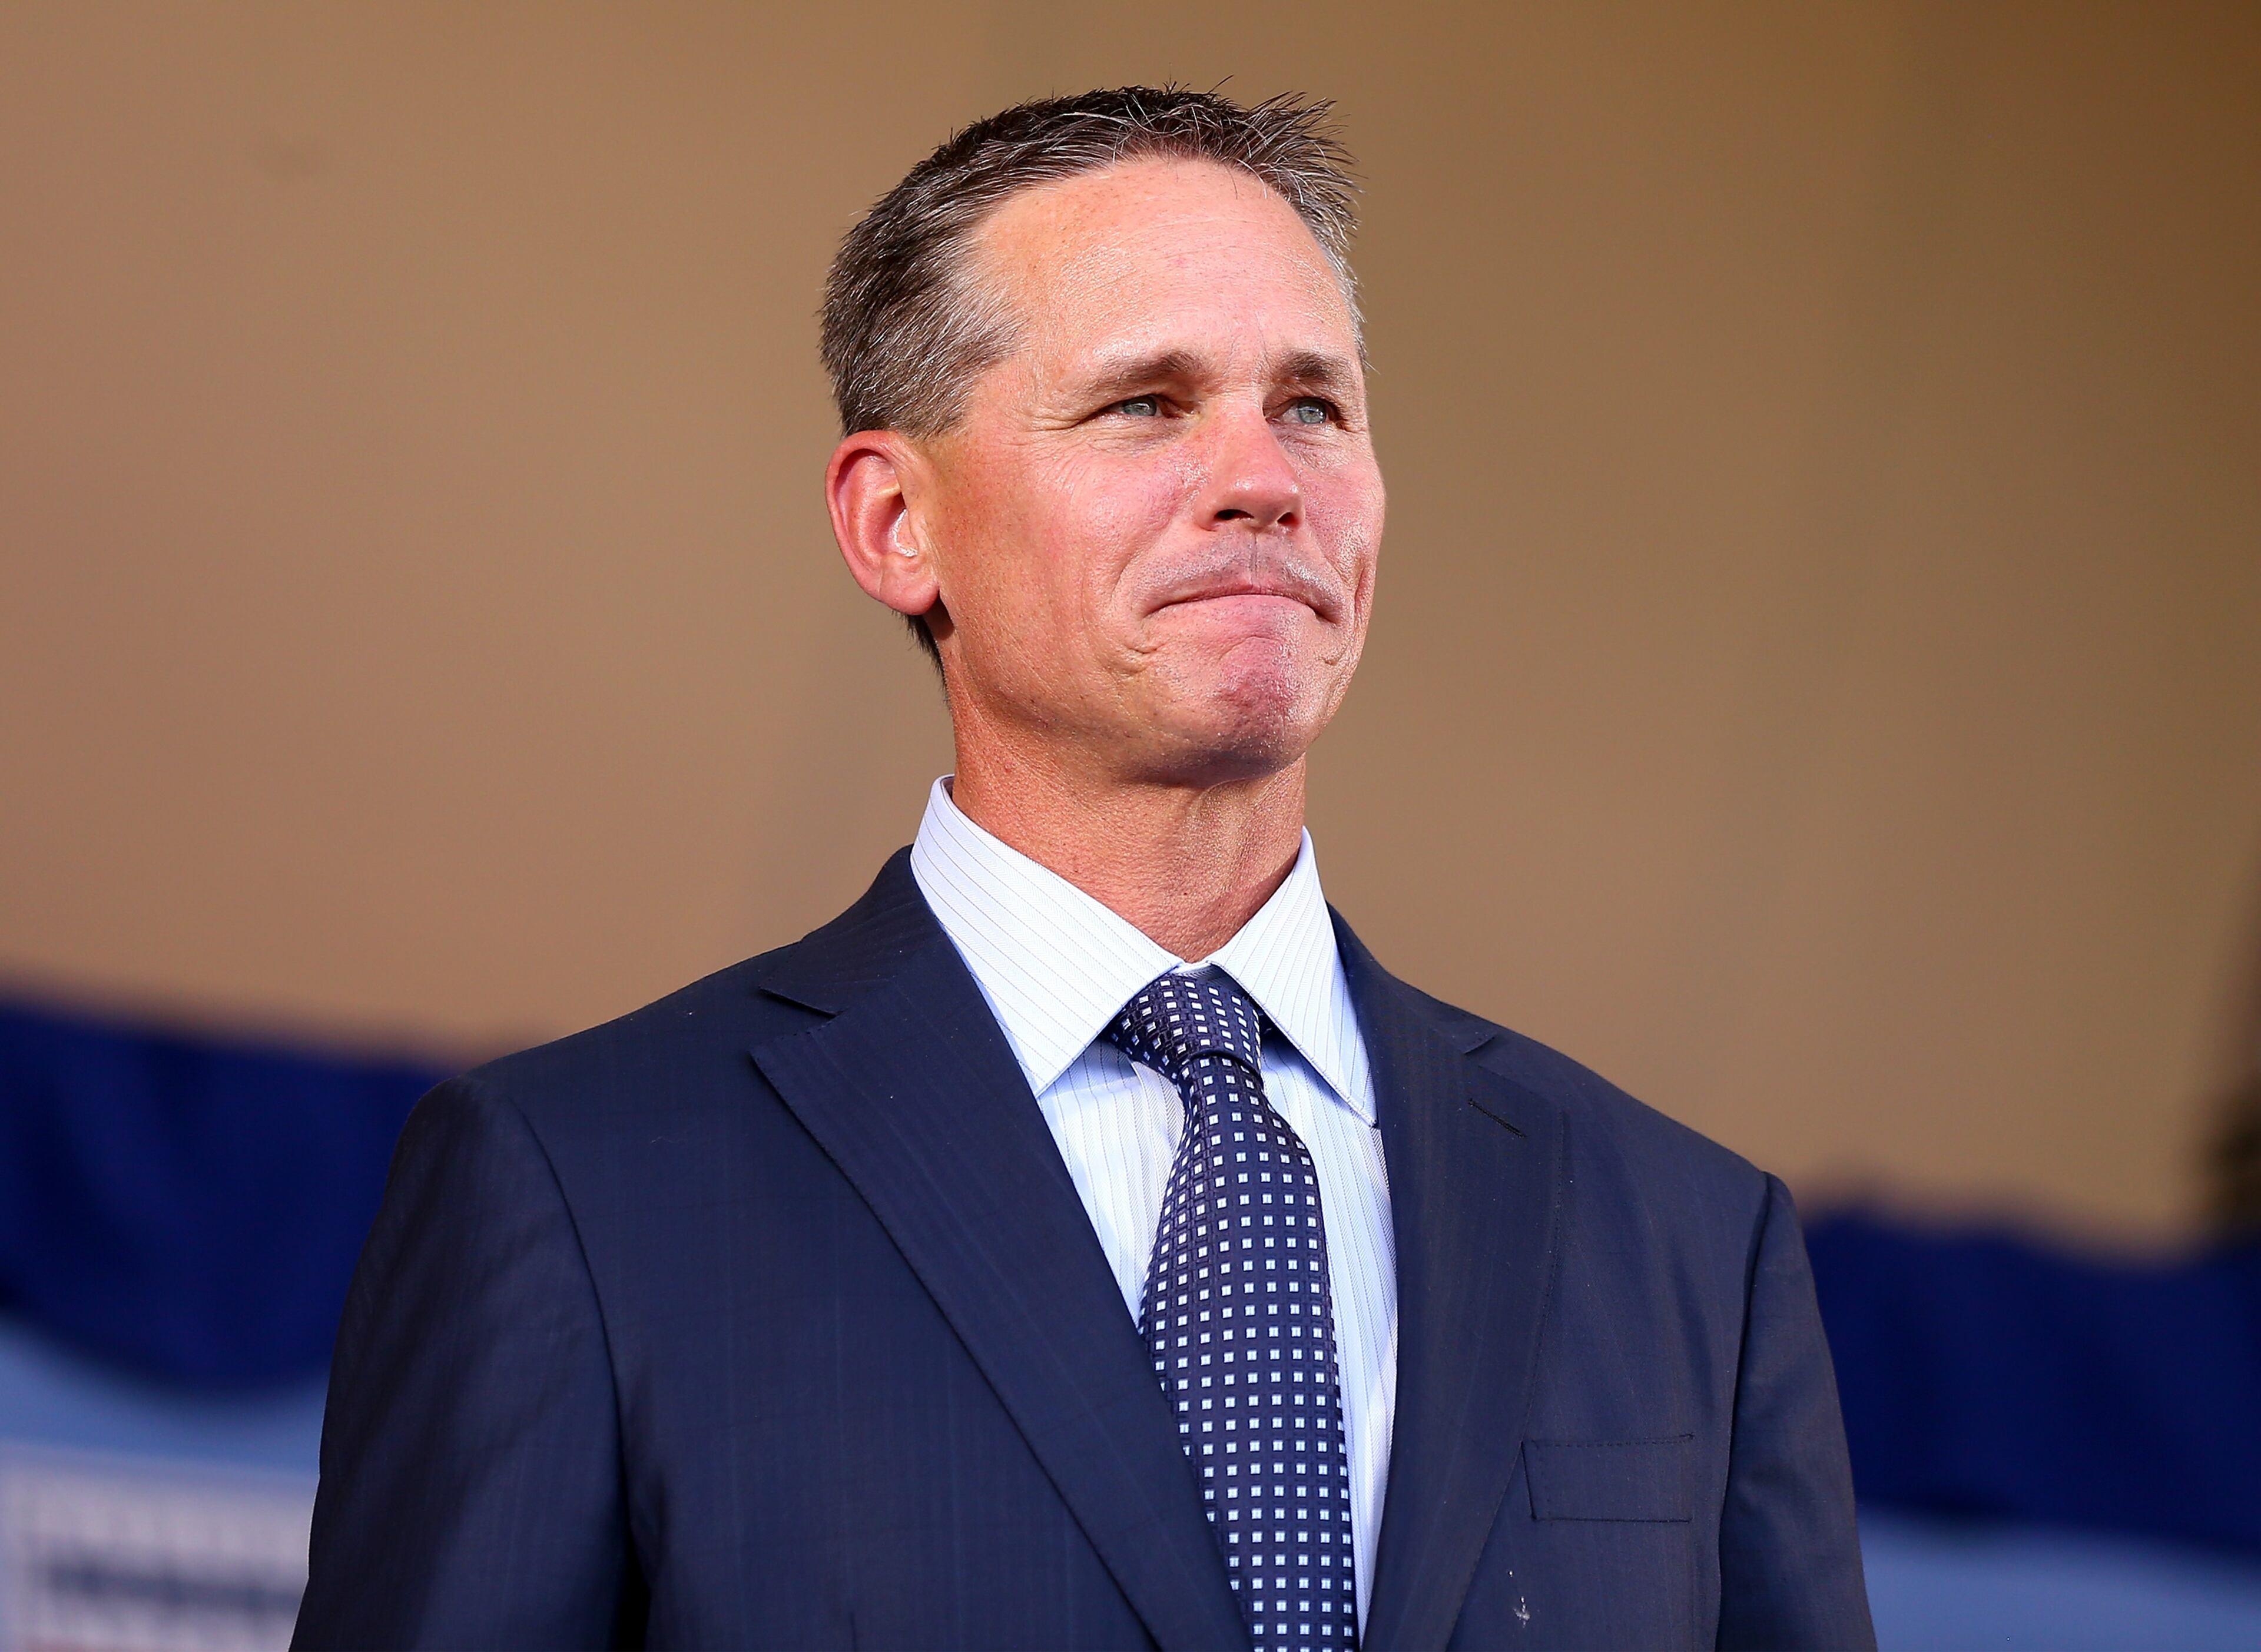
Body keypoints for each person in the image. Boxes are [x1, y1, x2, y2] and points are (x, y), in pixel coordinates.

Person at [293, 88, 1874, 1651]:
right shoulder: (579, 1188)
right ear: (897, 520)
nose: (1265, 479)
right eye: (1148, 404)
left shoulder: (1687, 1243)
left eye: (1313, 406)